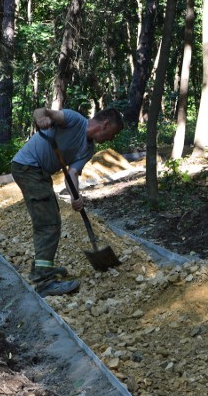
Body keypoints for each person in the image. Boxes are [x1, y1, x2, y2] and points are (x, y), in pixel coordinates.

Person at [11, 106, 124, 296]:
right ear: (105, 125)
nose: (112, 139)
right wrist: (41, 119)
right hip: (27, 168)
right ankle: (44, 282)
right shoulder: (73, 120)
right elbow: (40, 111)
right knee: (48, 224)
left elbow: (71, 173)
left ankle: (41, 269)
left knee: (51, 219)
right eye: (113, 133)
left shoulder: (88, 149)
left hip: (40, 172)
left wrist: (75, 196)